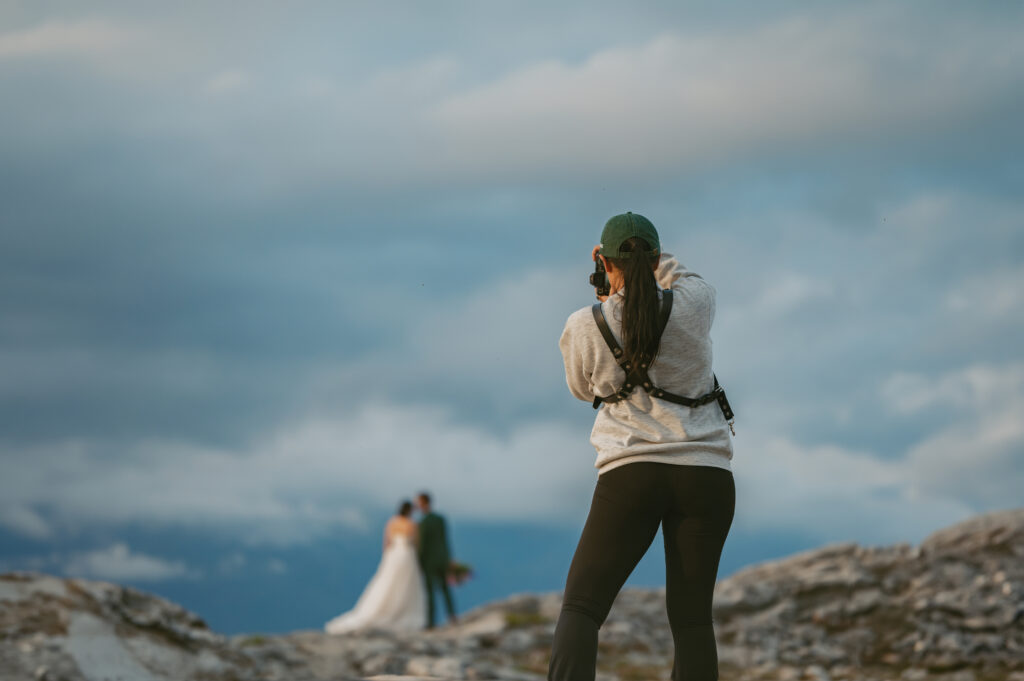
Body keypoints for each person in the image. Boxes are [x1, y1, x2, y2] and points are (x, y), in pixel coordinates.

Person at [549, 212, 736, 681]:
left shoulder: (585, 323)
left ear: (603, 260)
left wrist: (613, 286)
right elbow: (682, 277)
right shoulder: (695, 303)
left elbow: (581, 389)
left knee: (582, 608)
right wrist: (645, 263)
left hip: (631, 472)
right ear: (656, 259)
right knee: (693, 621)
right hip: (707, 473)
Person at [324, 500, 427, 634]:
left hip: (394, 556)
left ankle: (381, 611)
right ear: (410, 511)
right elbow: (416, 543)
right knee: (406, 585)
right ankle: (402, 612)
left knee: (387, 583)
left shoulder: (392, 523)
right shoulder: (412, 525)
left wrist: (387, 560)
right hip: (407, 555)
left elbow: (387, 543)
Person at [416, 492, 457, 628]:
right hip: (442, 558)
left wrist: (419, 562)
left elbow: (423, 545)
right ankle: (452, 616)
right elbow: (445, 540)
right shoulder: (440, 519)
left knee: (430, 591)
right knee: (445, 589)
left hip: (429, 561)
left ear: (423, 503)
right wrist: (449, 558)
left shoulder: (424, 522)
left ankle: (430, 622)